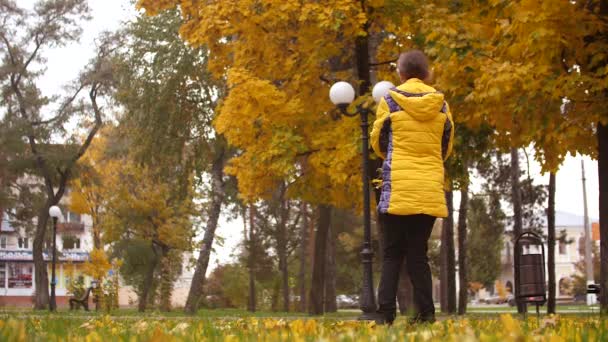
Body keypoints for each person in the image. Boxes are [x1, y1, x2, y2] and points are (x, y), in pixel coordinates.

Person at [370, 50, 454, 325]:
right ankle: (426, 314)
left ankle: (385, 314)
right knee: (418, 253)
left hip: (397, 185)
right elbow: (446, 145)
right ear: (427, 73)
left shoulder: (389, 100)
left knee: (393, 253)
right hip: (428, 185)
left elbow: (378, 141)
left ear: (401, 73)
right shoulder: (441, 104)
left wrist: (394, 157)